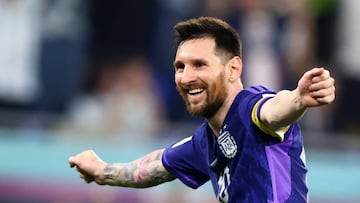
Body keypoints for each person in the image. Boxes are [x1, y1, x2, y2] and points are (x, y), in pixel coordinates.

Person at [68, 17, 335, 203]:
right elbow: (157, 165)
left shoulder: (250, 107)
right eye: (180, 67)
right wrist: (103, 172)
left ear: (233, 68)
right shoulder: (205, 142)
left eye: (199, 65)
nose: (186, 77)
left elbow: (275, 109)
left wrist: (299, 98)